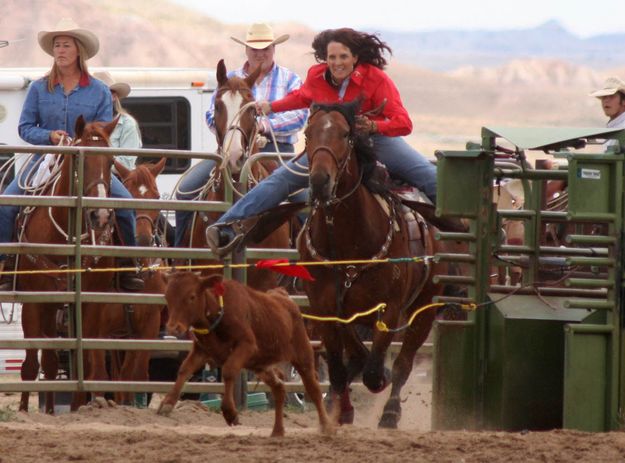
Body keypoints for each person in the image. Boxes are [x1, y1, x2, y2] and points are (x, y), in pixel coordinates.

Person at [205, 27, 438, 256]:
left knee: (423, 173)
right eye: (332, 57)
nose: (337, 63)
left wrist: (375, 125)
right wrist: (272, 106)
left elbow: (404, 123)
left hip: (373, 139)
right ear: (325, 58)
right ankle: (227, 226)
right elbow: (303, 97)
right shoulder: (317, 76)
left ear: (355, 57)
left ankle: (465, 226)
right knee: (281, 179)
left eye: (343, 56)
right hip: (330, 142)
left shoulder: (375, 79)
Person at [0, 18, 143, 291]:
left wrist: (81, 140)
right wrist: (50, 136)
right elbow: (25, 128)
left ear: (79, 51)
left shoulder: (99, 91)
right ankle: (7, 267)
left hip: (88, 161)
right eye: (56, 46)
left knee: (125, 203)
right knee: (6, 204)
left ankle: (129, 267)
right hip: (46, 158)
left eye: (66, 45)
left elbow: (102, 131)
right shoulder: (38, 88)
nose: (60, 50)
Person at [174, 22, 308, 247]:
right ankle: (181, 258)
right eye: (255, 49)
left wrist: (262, 125)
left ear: (274, 50)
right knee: (186, 191)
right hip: (230, 149)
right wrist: (231, 130)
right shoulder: (229, 79)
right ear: (246, 50)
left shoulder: (290, 79)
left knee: (304, 200)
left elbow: (299, 116)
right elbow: (211, 114)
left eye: (266, 48)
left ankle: (303, 259)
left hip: (276, 152)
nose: (260, 54)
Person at [93, 71, 142, 169]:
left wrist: (96, 163)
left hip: (116, 176)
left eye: (102, 93)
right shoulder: (87, 121)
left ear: (114, 96)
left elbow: (127, 164)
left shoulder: (127, 124)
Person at [590, 76, 625, 150]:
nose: (606, 100)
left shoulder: (622, 126)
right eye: (604, 97)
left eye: (612, 96)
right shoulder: (614, 126)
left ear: (623, 101)